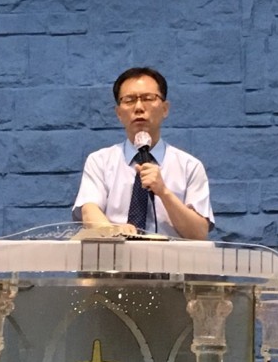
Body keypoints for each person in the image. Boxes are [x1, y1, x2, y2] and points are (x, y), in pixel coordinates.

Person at [72, 67, 214, 240]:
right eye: (129, 100)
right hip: (115, 255)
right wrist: (113, 231)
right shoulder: (100, 161)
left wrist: (164, 192)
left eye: (148, 98)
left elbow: (199, 234)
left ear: (165, 109)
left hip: (169, 257)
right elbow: (89, 211)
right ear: (118, 113)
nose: (139, 107)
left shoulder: (189, 166)